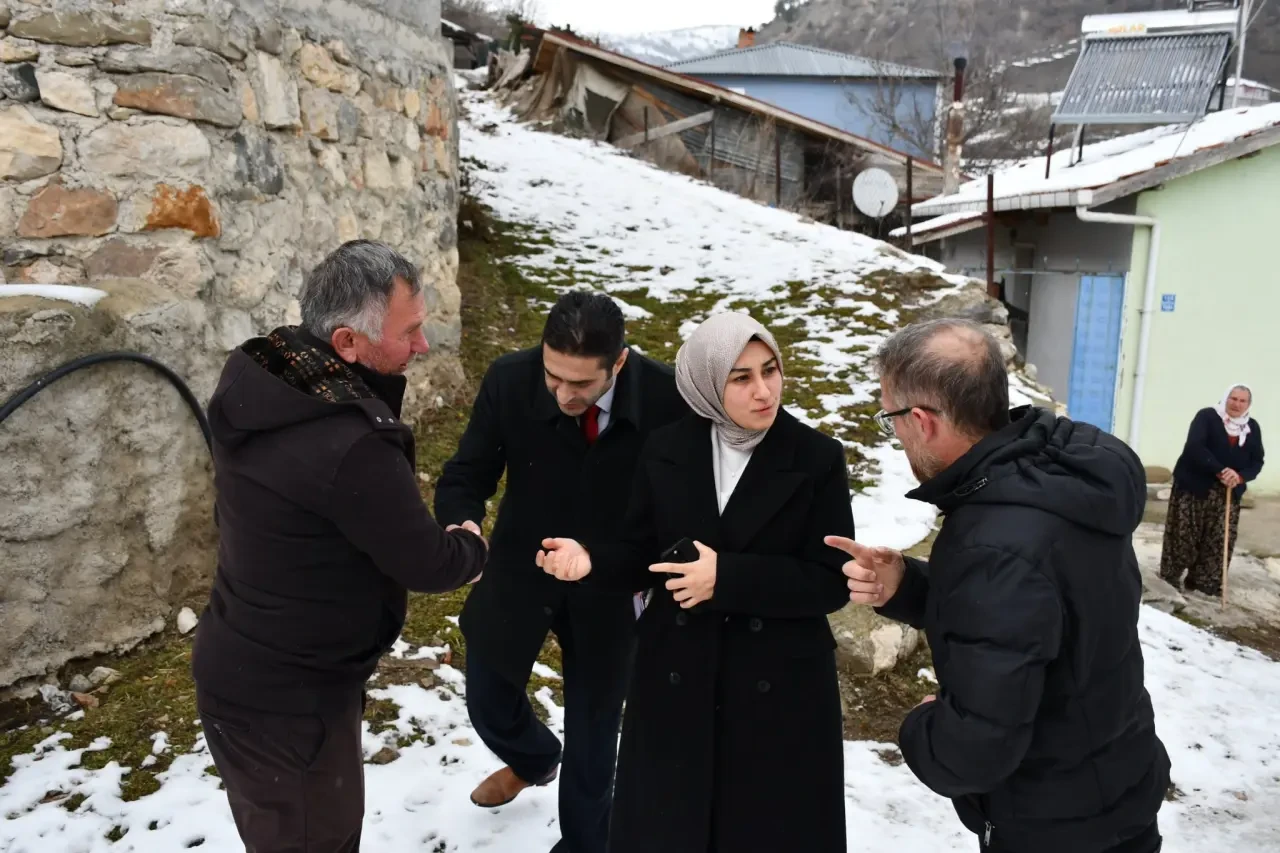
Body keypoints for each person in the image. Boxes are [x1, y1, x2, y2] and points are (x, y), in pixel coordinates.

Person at [828, 319, 1170, 853]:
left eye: (890, 416)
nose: (894, 433)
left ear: (921, 421)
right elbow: (1036, 612)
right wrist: (908, 587)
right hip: (1115, 784)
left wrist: (921, 724)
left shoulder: (992, 541)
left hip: (1052, 823)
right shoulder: (1058, 477)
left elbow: (972, 754)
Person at [191, 240, 488, 852]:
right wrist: (470, 543)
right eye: (410, 332)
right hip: (290, 700)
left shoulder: (270, 373)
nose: (422, 346)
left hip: (247, 662)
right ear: (348, 343)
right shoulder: (349, 445)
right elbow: (426, 561)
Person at [538, 312, 855, 853]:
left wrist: (726, 578)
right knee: (670, 828)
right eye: (741, 378)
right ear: (708, 384)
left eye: (770, 370)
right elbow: (645, 554)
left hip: (776, 690)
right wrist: (591, 561)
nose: (764, 391)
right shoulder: (667, 448)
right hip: (677, 678)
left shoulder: (817, 458)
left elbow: (831, 582)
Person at [434, 291, 687, 853]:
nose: (564, 395)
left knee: (595, 745)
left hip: (613, 581)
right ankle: (533, 757)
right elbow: (466, 472)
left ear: (618, 362)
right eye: (554, 378)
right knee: (488, 703)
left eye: (582, 385)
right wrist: (462, 525)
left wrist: (622, 565)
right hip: (521, 568)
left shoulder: (667, 398)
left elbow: (681, 511)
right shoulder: (508, 379)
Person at [1160, 384, 1265, 597]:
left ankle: (1204, 582)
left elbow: (1257, 461)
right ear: (1226, 398)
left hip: (1228, 492)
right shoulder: (1207, 417)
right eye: (1233, 399)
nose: (1236, 404)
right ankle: (1171, 578)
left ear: (1248, 404)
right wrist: (1221, 470)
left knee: (1218, 538)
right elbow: (1195, 447)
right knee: (1184, 533)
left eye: (1242, 401)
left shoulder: (1251, 427)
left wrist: (1240, 476)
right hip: (1194, 486)